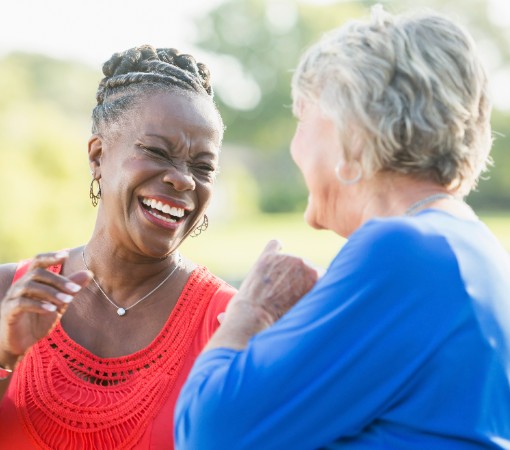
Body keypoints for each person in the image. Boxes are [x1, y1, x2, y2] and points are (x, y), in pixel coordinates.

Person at [174, 6, 510, 449]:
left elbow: (208, 433)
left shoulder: (403, 252)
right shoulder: (473, 246)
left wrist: (249, 313)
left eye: (301, 118)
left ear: (352, 133)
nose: (295, 147)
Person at [0, 44, 248, 450]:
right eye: (155, 151)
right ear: (98, 156)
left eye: (203, 167)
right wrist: (5, 353)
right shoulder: (8, 291)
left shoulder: (228, 324)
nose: (184, 180)